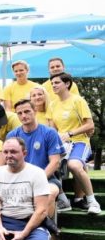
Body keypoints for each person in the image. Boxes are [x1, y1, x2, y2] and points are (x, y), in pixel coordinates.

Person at [48, 72, 101, 214]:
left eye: (57, 82)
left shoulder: (78, 100)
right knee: (49, 165)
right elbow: (53, 129)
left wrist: (70, 133)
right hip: (62, 145)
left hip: (80, 142)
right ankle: (63, 201)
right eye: (52, 83)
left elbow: (90, 125)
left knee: (74, 165)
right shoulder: (52, 105)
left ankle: (92, 201)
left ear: (67, 84)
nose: (53, 85)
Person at [8, 99, 67, 214]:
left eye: (27, 111)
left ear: (35, 111)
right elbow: (8, 162)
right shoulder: (12, 135)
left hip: (47, 179)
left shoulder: (49, 133)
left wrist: (36, 181)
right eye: (19, 113)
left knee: (49, 194)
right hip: (19, 180)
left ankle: (45, 225)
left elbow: (55, 162)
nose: (23, 116)